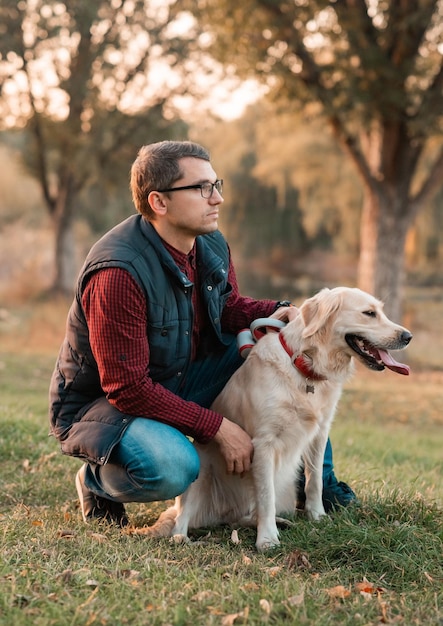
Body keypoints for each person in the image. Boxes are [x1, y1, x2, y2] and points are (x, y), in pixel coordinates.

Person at [48, 140, 356, 528]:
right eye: (201, 188)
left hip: (183, 373)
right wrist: (219, 428)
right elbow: (126, 387)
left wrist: (277, 313)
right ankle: (97, 480)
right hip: (108, 405)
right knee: (173, 467)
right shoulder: (119, 272)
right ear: (159, 202)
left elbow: (225, 307)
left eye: (216, 184)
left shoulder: (209, 242)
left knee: (298, 358)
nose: (218, 199)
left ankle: (320, 488)